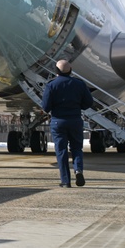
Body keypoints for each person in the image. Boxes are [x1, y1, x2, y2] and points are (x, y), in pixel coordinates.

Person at [41, 59, 93, 187]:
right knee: (76, 148)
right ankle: (78, 170)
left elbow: (46, 107)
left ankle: (65, 181)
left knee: (61, 150)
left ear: (56, 71)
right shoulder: (79, 84)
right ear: (71, 70)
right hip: (75, 120)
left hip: (58, 121)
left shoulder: (51, 85)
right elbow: (89, 103)